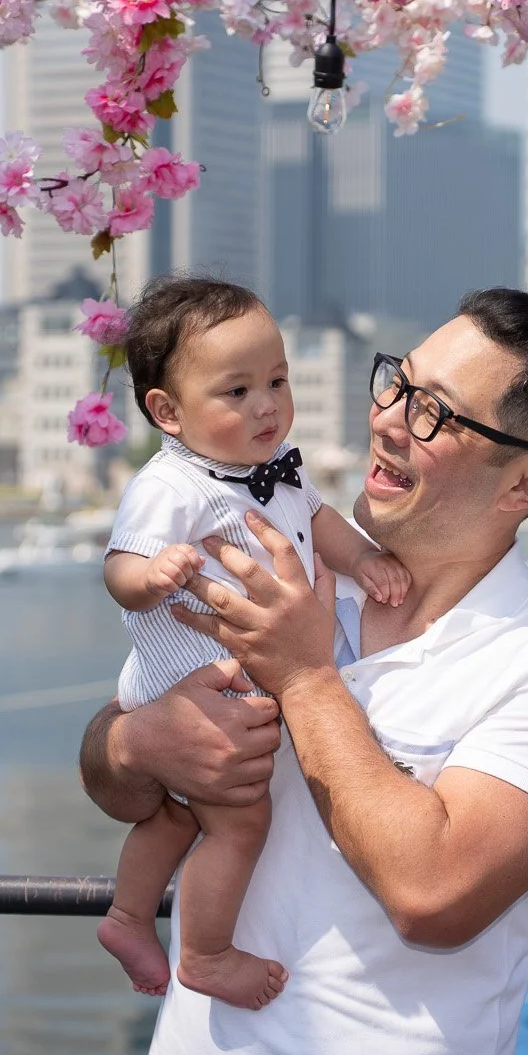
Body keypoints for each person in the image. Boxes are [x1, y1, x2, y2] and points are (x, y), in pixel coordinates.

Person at [79, 287, 528, 1055]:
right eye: (397, 384)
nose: (389, 421)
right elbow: (111, 783)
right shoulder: (283, 571)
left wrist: (303, 674)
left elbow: (432, 894)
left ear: (527, 478)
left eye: (435, 413)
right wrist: (137, 740)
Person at [96, 275, 411, 1011]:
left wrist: (364, 559)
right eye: (236, 392)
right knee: (240, 821)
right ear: (167, 412)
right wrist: (153, 572)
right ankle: (204, 953)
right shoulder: (170, 486)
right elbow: (116, 569)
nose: (267, 404)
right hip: (191, 684)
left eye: (276, 379)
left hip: (221, 684)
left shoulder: (276, 467)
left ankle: (126, 915)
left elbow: (322, 518)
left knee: (179, 814)